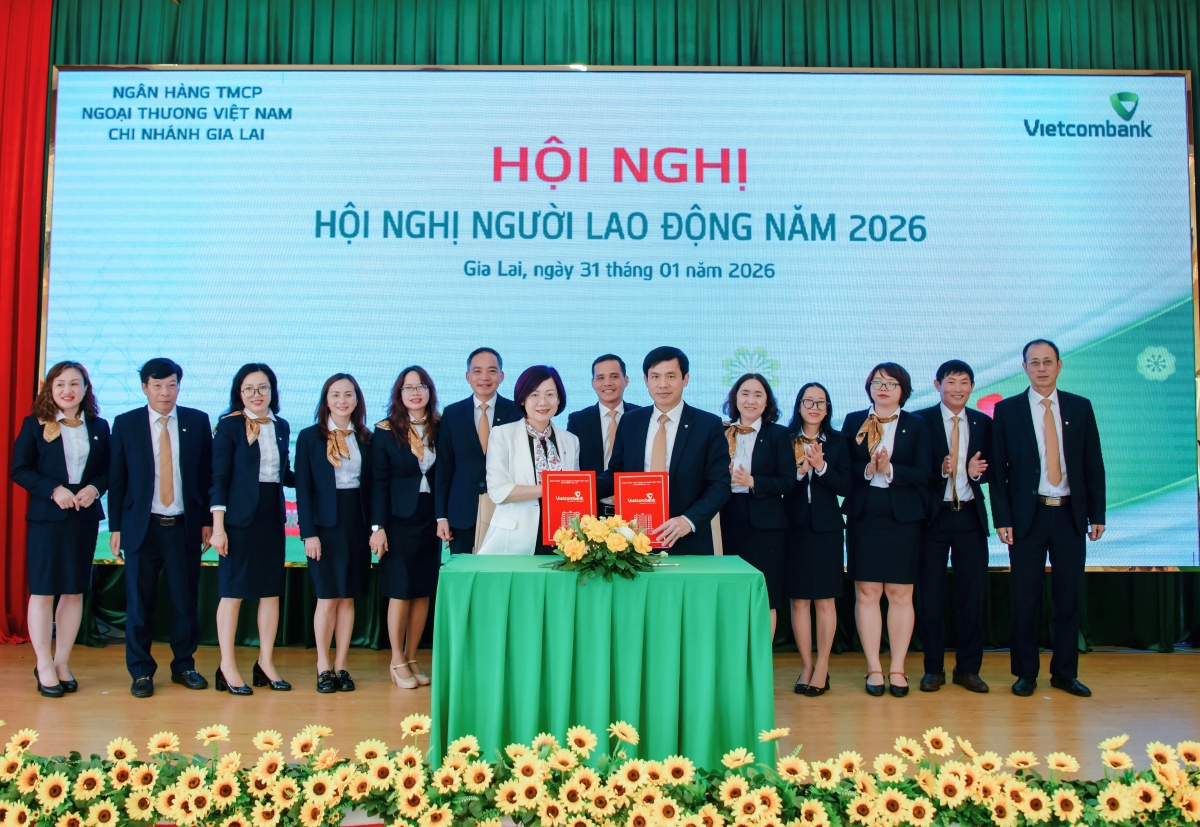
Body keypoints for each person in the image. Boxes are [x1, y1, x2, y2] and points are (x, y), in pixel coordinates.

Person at [991, 339, 1105, 698]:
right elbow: (998, 471)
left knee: (1068, 597)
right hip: (1028, 516)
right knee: (1025, 597)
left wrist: (1097, 514)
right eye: (1034, 362)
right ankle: (1025, 673)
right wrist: (1002, 518)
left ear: (1059, 366)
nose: (1041, 368)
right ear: (1024, 367)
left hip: (1070, 514)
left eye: (1048, 361)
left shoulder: (1080, 407)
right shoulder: (1007, 410)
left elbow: (1093, 463)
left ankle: (1065, 673)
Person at [109, 358, 213, 698]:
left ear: (179, 387)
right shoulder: (126, 424)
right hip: (142, 528)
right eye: (157, 386)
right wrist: (115, 527)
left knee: (185, 602)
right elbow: (117, 480)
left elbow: (206, 475)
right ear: (145, 388)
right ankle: (141, 671)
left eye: (171, 385)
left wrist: (207, 521)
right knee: (139, 604)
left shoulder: (197, 421)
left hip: (184, 526)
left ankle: (184, 666)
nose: (165, 392)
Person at [11, 361, 109, 697]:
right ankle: (43, 664)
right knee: (43, 591)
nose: (68, 390)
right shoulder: (35, 424)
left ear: (85, 388)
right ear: (49, 389)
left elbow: (109, 470)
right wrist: (54, 489)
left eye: (75, 384)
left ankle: (62, 662)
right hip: (47, 520)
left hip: (83, 519)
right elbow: (19, 469)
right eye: (60, 384)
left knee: (74, 591)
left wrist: (94, 488)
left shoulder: (99, 426)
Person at [841, 362, 931, 697]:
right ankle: (874, 668)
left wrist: (891, 470)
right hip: (865, 515)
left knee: (900, 593)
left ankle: (898, 668)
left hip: (902, 518)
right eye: (877, 382)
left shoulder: (916, 425)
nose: (883, 388)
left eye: (891, 383)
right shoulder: (854, 421)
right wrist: (867, 469)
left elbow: (924, 473)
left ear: (903, 390)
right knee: (867, 592)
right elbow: (843, 468)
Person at [209, 363, 293, 695]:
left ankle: (265, 663)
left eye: (263, 388)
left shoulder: (281, 425)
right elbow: (219, 478)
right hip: (237, 520)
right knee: (233, 593)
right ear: (239, 393)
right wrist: (218, 527)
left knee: (270, 592)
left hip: (271, 516)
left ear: (272, 391)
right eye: (249, 389)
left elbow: (285, 473)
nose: (257, 395)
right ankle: (227, 666)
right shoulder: (229, 426)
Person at [599, 346, 731, 554]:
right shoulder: (631, 421)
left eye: (671, 376)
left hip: (687, 540)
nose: (662, 384)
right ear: (646, 380)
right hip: (634, 539)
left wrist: (688, 520)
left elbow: (720, 484)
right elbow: (616, 473)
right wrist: (575, 490)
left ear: (685, 379)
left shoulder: (708, 425)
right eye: (655, 376)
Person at [913, 360, 992, 694]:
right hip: (934, 517)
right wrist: (939, 469)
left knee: (972, 596)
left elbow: (995, 470)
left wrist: (975, 474)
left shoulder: (983, 423)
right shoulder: (920, 421)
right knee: (930, 595)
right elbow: (913, 468)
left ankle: (968, 669)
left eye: (964, 382)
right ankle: (933, 669)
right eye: (951, 382)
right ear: (938, 385)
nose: (957, 389)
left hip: (969, 516)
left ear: (972, 386)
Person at [294, 373, 373, 694]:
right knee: (327, 597)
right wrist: (308, 533)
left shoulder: (366, 437)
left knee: (347, 597)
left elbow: (372, 487)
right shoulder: (309, 437)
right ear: (326, 400)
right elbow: (303, 488)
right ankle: (323, 666)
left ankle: (342, 665)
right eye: (335, 394)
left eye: (348, 394)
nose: (342, 400)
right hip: (323, 526)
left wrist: (375, 528)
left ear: (357, 400)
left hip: (356, 523)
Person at [371, 366, 441, 689]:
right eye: (408, 387)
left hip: (429, 519)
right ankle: (396, 659)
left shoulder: (440, 426)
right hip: (397, 522)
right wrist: (378, 526)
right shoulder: (385, 431)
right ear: (399, 394)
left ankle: (412, 657)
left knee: (422, 591)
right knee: (400, 591)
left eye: (421, 386)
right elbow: (378, 483)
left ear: (429, 391)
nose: (415, 392)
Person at [783, 382, 850, 698]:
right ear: (799, 406)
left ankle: (823, 665)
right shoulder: (784, 440)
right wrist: (800, 470)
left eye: (820, 402)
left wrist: (821, 467)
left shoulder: (838, 442)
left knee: (825, 600)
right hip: (793, 528)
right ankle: (806, 665)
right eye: (808, 402)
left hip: (827, 529)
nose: (814, 407)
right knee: (799, 601)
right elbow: (779, 483)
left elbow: (847, 486)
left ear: (827, 409)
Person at [719, 373, 795, 638]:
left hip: (766, 526)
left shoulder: (778, 434)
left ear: (767, 402)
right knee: (730, 591)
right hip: (726, 520)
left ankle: (762, 657)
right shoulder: (721, 431)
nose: (750, 400)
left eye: (758, 395)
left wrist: (753, 481)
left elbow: (788, 480)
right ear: (735, 399)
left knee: (766, 593)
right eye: (745, 394)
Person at [478, 365, 580, 555]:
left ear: (559, 399)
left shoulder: (570, 440)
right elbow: (498, 491)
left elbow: (574, 493)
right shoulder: (503, 435)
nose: (543, 402)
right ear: (523, 399)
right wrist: (553, 488)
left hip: (562, 539)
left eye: (550, 394)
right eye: (534, 395)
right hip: (514, 539)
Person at [435, 348, 521, 554]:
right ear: (467, 377)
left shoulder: (517, 412)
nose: (484, 377)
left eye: (492, 371)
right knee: (464, 570)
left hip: (506, 512)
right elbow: (444, 469)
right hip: (462, 514)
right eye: (477, 371)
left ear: (502, 376)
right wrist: (441, 516)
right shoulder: (452, 414)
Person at [566, 355, 642, 516]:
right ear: (593, 383)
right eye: (600, 378)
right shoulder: (578, 421)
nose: (607, 383)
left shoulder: (643, 417)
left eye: (614, 376)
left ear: (626, 380)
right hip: (592, 511)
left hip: (637, 507)